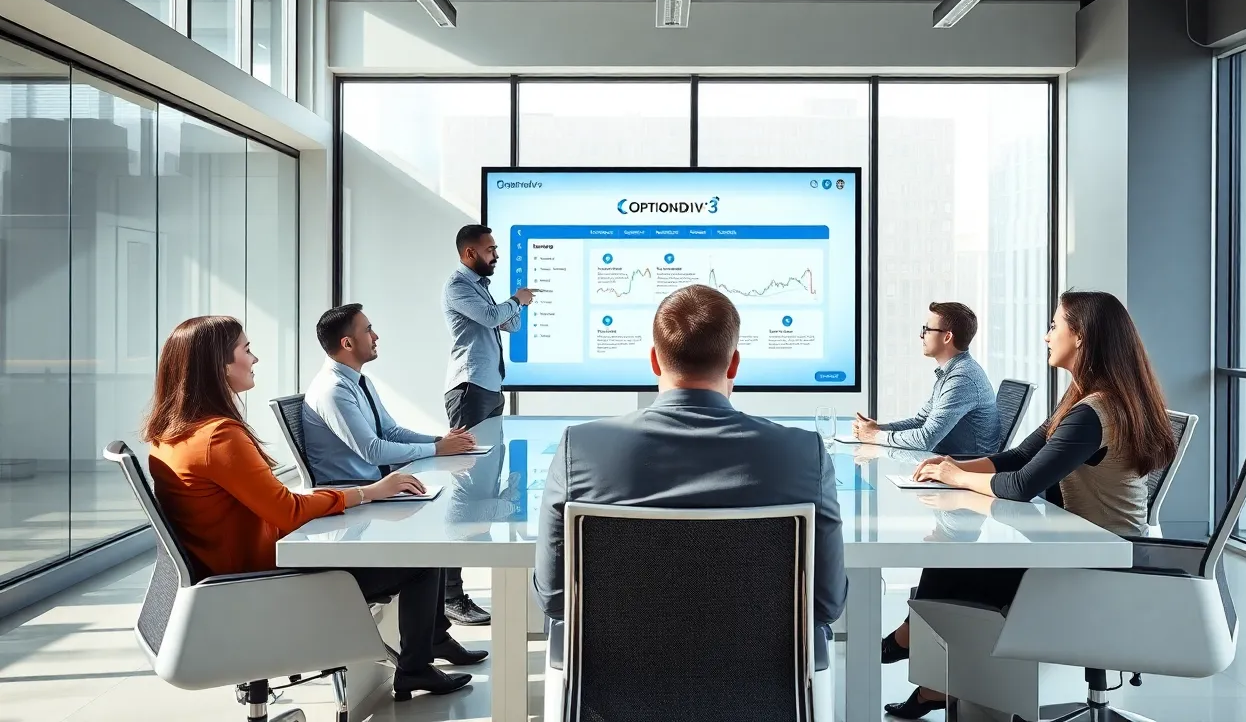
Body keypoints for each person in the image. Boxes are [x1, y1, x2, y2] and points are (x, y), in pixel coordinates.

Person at [143, 316, 475, 701]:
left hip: (229, 581)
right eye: (246, 350)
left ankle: (427, 649)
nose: (255, 358)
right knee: (421, 558)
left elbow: (264, 505)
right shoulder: (219, 436)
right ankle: (416, 668)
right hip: (264, 580)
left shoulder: (168, 436)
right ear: (220, 364)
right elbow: (286, 511)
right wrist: (365, 494)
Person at [879, 291, 1177, 719]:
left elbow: (1022, 484)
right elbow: (1020, 456)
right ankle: (933, 677)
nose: (1047, 336)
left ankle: (923, 658)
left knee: (959, 564)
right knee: (954, 554)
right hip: (1081, 546)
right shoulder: (1085, 398)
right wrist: (952, 466)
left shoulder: (1093, 413)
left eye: (1055, 326)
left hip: (1098, 566)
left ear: (1081, 336)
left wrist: (957, 477)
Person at [533, 285, 848, 652]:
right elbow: (826, 604)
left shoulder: (580, 449)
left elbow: (555, 599)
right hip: (758, 679)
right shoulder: (803, 453)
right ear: (733, 364)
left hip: (617, 680)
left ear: (654, 361)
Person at [302, 304, 491, 648]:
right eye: (368, 330)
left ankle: (436, 640)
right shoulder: (333, 389)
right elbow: (373, 450)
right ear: (347, 343)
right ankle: (422, 655)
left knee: (439, 526)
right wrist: (437, 450)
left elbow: (390, 430)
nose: (375, 337)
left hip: (374, 492)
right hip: (354, 500)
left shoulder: (359, 381)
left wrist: (440, 441)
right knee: (433, 539)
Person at [852, 302, 1000, 455]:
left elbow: (925, 440)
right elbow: (921, 422)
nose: (921, 335)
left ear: (947, 337)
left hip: (962, 465)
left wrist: (875, 436)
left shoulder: (962, 379)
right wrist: (878, 429)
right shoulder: (951, 372)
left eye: (927, 329)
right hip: (944, 459)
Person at [443, 224, 534, 432]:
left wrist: (519, 304)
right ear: (470, 253)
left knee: (493, 452)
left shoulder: (479, 287)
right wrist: (517, 300)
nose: (496, 256)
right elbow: (491, 317)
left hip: (491, 389)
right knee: (470, 452)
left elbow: (513, 325)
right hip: (470, 388)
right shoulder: (458, 286)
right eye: (490, 250)